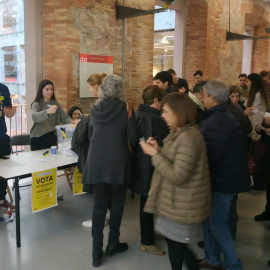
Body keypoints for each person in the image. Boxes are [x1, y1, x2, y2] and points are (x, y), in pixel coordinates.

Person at [140, 92, 211, 270]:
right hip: (174, 203)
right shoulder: (180, 132)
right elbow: (175, 161)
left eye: (166, 111)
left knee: (178, 246)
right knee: (175, 245)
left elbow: (178, 175)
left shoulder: (189, 138)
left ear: (179, 112)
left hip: (182, 204)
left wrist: (155, 154)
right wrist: (158, 149)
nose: (162, 115)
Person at [81, 74, 138, 268]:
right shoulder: (126, 108)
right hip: (118, 163)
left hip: (96, 162)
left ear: (102, 89)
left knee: (99, 206)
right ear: (121, 89)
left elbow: (90, 136)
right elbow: (132, 137)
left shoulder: (94, 109)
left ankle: (96, 252)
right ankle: (113, 243)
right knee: (117, 204)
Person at [199, 80, 250, 270]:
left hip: (222, 182)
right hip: (221, 180)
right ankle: (212, 259)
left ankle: (233, 264)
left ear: (212, 98)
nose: (202, 96)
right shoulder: (221, 116)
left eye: (204, 93)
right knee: (210, 222)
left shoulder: (218, 121)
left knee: (218, 225)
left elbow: (211, 155)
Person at [132, 85, 170, 256]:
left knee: (146, 202)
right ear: (156, 100)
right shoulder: (154, 118)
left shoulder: (138, 114)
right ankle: (147, 242)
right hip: (150, 166)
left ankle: (147, 235)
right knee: (148, 204)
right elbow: (161, 144)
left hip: (140, 165)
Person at [76, 72, 109, 229]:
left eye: (89, 87)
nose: (89, 91)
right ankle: (105, 216)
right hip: (109, 154)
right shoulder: (112, 104)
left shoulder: (99, 106)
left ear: (96, 86)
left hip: (99, 152)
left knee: (99, 191)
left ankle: (99, 220)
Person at [30, 79, 72, 200]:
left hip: (51, 137)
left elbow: (64, 117)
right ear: (41, 90)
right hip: (38, 138)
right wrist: (47, 112)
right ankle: (40, 193)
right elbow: (34, 117)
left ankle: (52, 191)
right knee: (39, 166)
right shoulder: (36, 104)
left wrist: (72, 122)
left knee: (51, 166)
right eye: (47, 89)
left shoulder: (56, 103)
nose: (49, 91)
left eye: (51, 89)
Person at [246, 73, 269, 190]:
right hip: (257, 128)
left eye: (248, 81)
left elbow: (253, 112)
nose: (246, 83)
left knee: (258, 157)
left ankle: (259, 182)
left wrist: (245, 111)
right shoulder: (256, 94)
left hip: (257, 129)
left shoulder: (258, 95)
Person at [0, 83, 15, 210]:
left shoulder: (3, 89)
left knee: (4, 171)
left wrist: (10, 110)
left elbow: (9, 114)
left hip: (1, 138)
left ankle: (1, 200)